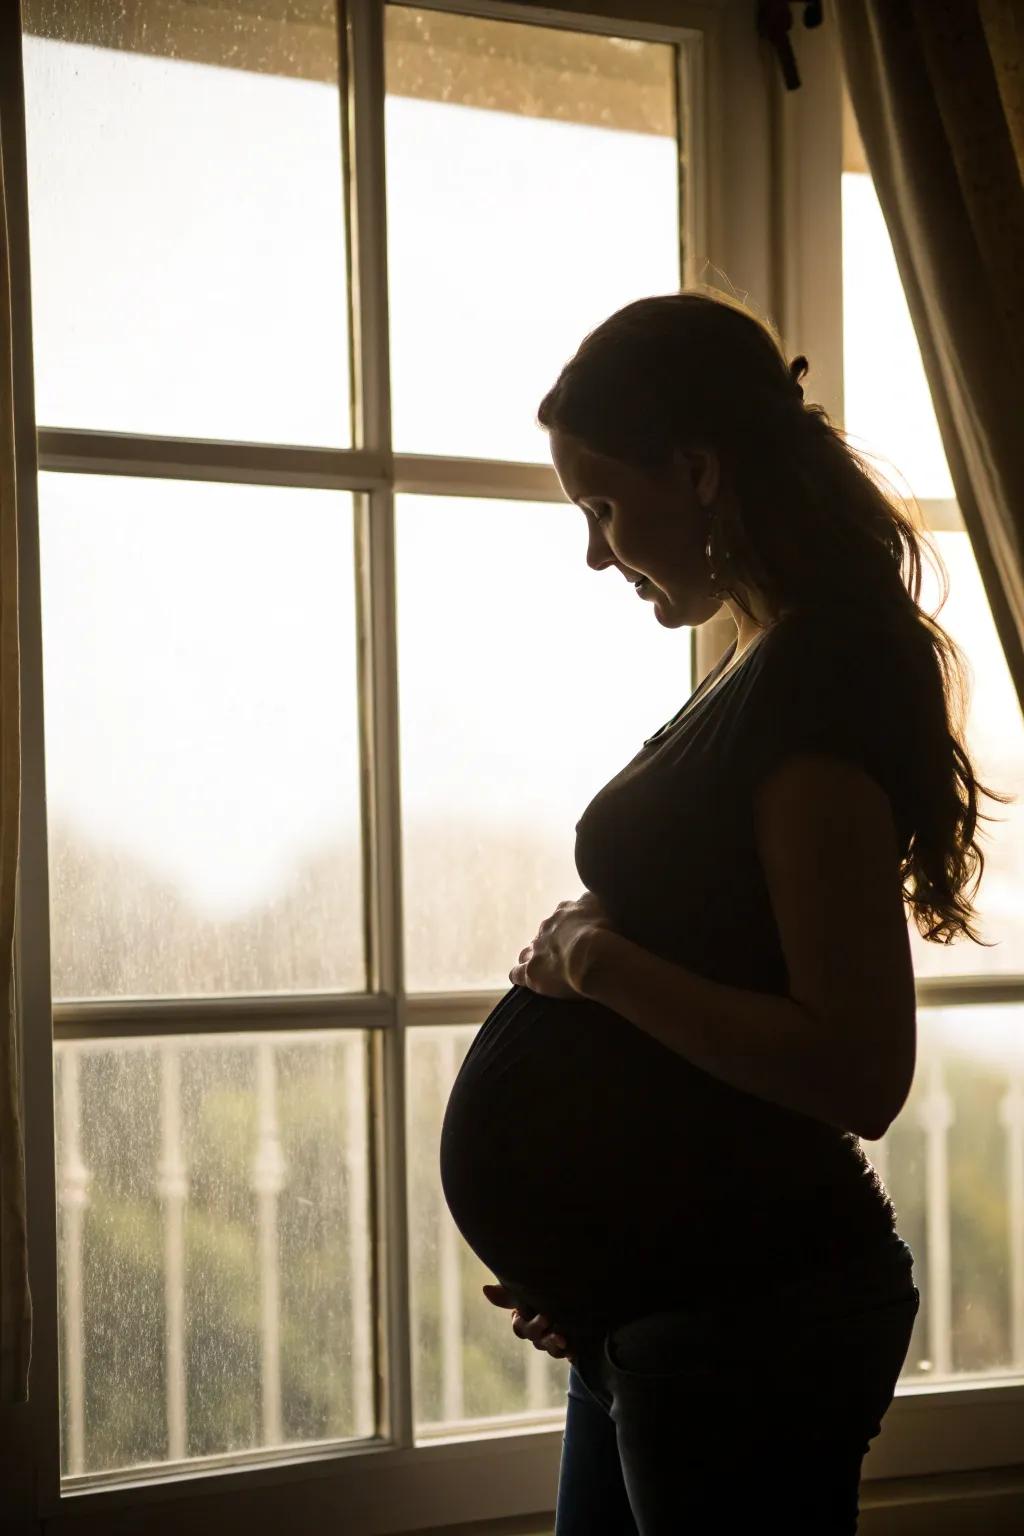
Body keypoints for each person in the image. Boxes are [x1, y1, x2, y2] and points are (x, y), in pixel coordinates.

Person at [438, 290, 1010, 1535]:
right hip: (664, 1305)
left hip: (750, 1319)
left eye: (601, 504)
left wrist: (592, 961)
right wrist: (592, 1260)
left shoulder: (814, 682)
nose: (596, 550)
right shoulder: (765, 656)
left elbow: (857, 1067)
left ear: (695, 470)